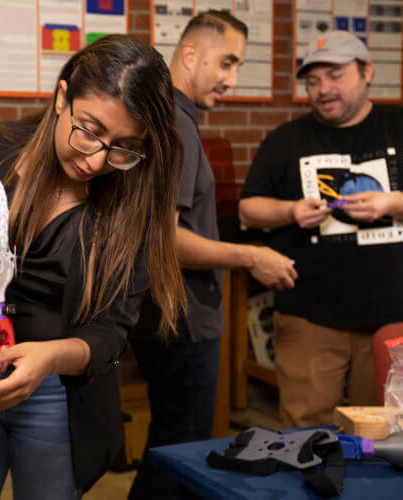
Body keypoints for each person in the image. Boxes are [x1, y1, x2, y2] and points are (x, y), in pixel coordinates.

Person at [0, 35, 185, 498]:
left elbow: (110, 332)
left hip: (58, 396)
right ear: (62, 97)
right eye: (89, 130)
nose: (97, 160)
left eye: (123, 147)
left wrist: (50, 358)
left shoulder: (132, 201)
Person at [128, 10, 297, 499]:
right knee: (178, 459)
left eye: (238, 66)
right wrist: (250, 257)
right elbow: (164, 239)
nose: (231, 79)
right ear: (189, 55)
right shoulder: (176, 124)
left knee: (171, 449)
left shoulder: (172, 118)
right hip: (181, 321)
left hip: (172, 317)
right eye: (226, 63)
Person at [239, 31, 403, 427]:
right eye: (313, 81)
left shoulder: (397, 126)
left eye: (335, 75)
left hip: (392, 319)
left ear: (367, 72)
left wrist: (392, 203)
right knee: (305, 435)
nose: (323, 89)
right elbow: (248, 209)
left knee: (385, 436)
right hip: (309, 316)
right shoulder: (285, 140)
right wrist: (292, 210)